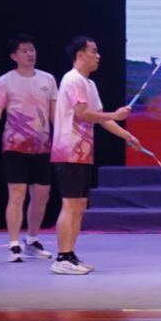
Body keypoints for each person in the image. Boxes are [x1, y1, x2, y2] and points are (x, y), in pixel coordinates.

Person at [50, 35, 141, 276]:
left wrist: (127, 136)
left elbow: (101, 118)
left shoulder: (89, 84)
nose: (98, 56)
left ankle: (70, 254)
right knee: (70, 204)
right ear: (80, 55)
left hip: (83, 153)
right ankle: (62, 257)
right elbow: (83, 114)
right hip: (68, 151)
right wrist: (115, 114)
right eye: (93, 51)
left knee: (80, 205)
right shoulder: (73, 80)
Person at [0, 33, 57, 262]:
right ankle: (13, 245)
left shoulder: (48, 79)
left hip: (42, 147)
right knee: (17, 194)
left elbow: (54, 116)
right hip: (14, 146)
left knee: (42, 195)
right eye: (24, 50)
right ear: (14, 56)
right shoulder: (5, 81)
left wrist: (63, 141)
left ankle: (31, 240)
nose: (30, 54)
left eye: (32, 49)